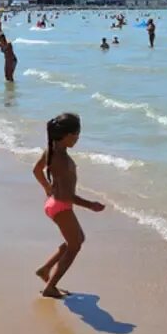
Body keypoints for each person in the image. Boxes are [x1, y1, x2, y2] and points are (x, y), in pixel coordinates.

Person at [32, 113, 102, 299]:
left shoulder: (52, 150)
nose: (78, 138)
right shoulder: (61, 159)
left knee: (77, 239)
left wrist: (47, 188)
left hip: (55, 203)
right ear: (67, 135)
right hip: (61, 205)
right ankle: (50, 287)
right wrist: (90, 205)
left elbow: (37, 170)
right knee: (75, 246)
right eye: (77, 135)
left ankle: (45, 269)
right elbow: (67, 196)